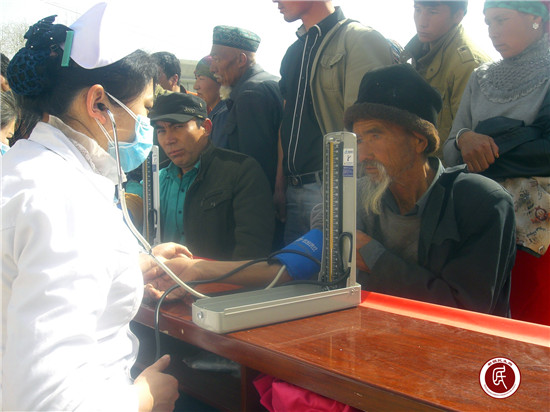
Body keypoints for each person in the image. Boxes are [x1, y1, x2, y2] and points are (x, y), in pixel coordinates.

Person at [145, 64, 516, 318]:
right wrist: (193, 271)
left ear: (419, 140)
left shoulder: (480, 202)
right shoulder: (354, 197)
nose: (363, 152)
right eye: (359, 138)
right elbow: (287, 268)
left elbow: (465, 310)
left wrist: (369, 251)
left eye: (376, 135)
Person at [2, 5, 183, 410]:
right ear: (99, 102)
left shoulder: (24, 171)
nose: (146, 124)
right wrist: (144, 397)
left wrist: (127, 267)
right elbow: (48, 402)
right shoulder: (67, 203)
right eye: (145, 108)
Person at [444, 1, 550, 325]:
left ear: (536, 19)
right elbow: (449, 150)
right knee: (483, 318)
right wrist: (464, 138)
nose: (493, 32)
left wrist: (486, 146)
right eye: (488, 22)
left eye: (502, 20)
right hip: (479, 218)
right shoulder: (481, 77)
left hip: (536, 229)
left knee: (531, 319)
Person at [272, 0, 395, 245]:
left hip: (338, 190)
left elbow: (370, 127)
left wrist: (348, 191)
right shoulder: (294, 51)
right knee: (291, 269)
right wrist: (280, 184)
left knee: (336, 269)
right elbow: (287, 121)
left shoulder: (360, 40)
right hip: (294, 191)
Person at [126, 92, 275, 261]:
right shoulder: (157, 179)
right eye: (161, 131)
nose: (169, 140)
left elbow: (251, 253)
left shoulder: (241, 172)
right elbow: (134, 198)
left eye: (178, 127)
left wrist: (203, 273)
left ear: (206, 127)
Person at [400, 1, 491, 160]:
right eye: (418, 10)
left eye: (432, 12)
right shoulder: (419, 52)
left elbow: (468, 142)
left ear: (458, 15)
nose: (422, 21)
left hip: (445, 170)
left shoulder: (468, 65)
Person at [209, 25, 283, 191]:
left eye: (217, 59)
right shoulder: (271, 82)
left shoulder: (250, 95)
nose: (212, 68)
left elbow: (255, 167)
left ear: (241, 60)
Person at [193, 55, 229, 148]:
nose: (195, 86)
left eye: (201, 78)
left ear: (219, 81)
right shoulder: (215, 114)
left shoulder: (223, 116)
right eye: (196, 79)